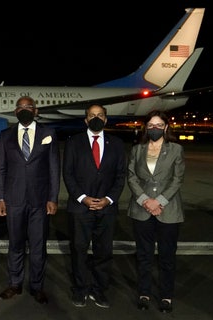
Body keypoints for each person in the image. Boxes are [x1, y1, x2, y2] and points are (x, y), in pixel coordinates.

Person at [0, 96, 60, 304]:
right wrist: (1, 198)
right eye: (20, 107)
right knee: (15, 244)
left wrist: (53, 197)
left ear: (36, 111)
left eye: (28, 107)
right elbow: (1, 169)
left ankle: (37, 286)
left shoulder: (48, 133)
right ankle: (15, 284)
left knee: (38, 246)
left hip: (40, 200)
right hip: (13, 200)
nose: (24, 110)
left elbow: (53, 168)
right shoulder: (5, 136)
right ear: (15, 112)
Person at [62, 104, 127, 308]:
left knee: (104, 252)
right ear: (86, 120)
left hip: (107, 208)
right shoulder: (73, 143)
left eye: (100, 115)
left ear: (106, 119)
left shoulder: (117, 143)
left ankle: (99, 290)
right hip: (80, 208)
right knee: (79, 251)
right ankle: (80, 290)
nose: (96, 118)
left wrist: (109, 199)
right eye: (92, 115)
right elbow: (68, 174)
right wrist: (83, 197)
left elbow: (120, 176)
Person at [127, 110, 185, 313]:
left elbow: (177, 179)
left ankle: (166, 296)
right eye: (151, 125)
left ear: (166, 127)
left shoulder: (176, 149)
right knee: (144, 255)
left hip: (168, 210)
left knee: (167, 257)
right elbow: (132, 176)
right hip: (141, 209)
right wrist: (145, 201)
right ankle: (144, 293)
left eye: (159, 125)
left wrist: (158, 201)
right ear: (145, 127)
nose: (154, 128)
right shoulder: (137, 149)